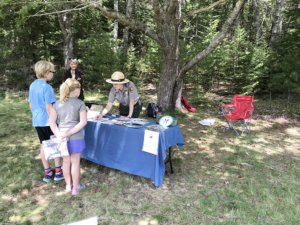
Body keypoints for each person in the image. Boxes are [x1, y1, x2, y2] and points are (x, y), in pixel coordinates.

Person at [49, 78, 87, 195]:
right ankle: (76, 188)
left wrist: (60, 135)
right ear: (77, 90)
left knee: (66, 163)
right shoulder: (80, 103)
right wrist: (68, 134)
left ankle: (68, 186)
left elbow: (52, 122)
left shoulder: (57, 103)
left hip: (61, 139)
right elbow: (83, 122)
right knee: (75, 163)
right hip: (76, 137)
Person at [29, 60, 64, 182]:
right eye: (53, 72)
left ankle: (48, 173)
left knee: (43, 145)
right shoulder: (47, 87)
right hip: (49, 121)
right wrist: (55, 123)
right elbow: (50, 108)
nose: (53, 74)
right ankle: (58, 172)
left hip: (37, 121)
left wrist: (36, 116)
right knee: (55, 144)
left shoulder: (32, 85)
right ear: (47, 72)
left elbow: (31, 105)